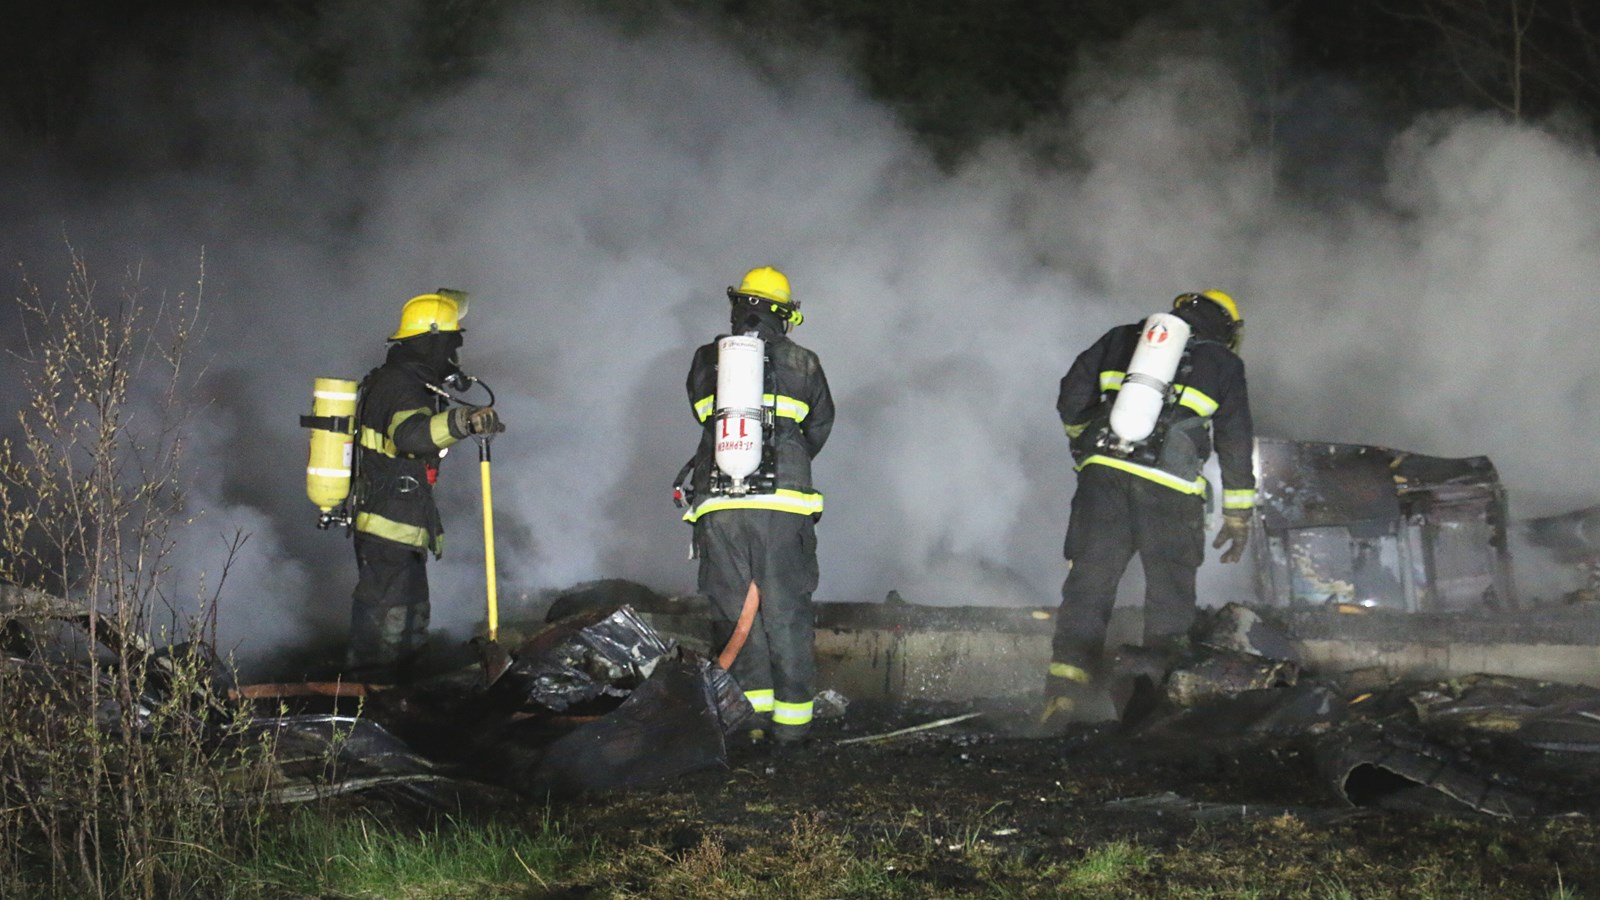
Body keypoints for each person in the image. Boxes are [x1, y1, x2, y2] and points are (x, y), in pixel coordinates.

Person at [1043, 290, 1255, 723]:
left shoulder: (1122, 337)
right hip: (1171, 493)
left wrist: (1087, 446)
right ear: (1228, 330)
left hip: (1103, 481)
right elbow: (1235, 441)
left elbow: (1072, 396)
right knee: (1169, 601)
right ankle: (1151, 708)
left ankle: (1063, 696)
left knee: (1088, 590)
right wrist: (1238, 513)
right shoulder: (1223, 364)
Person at [680, 266, 834, 749]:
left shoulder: (707, 360)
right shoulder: (804, 362)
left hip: (719, 507)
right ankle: (791, 730)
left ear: (737, 307)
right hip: (782, 508)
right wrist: (788, 461)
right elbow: (819, 426)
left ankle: (747, 723)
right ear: (784, 315)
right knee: (786, 614)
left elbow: (702, 415)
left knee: (734, 617)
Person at [347, 290, 504, 682]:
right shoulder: (401, 385)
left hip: (400, 525)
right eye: (452, 343)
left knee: (407, 622)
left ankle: (400, 693)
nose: (455, 353)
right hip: (389, 527)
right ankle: (370, 697)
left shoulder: (406, 380)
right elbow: (411, 436)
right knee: (387, 626)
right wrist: (463, 422)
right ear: (432, 342)